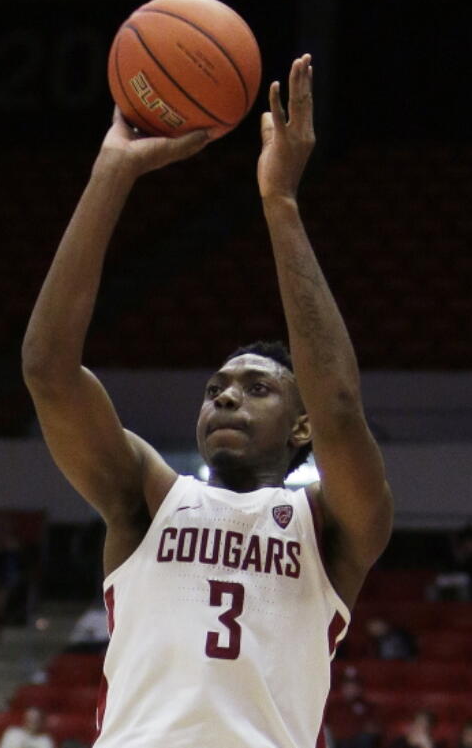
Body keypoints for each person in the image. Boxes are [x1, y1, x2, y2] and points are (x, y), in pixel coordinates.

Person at [22, 55, 394, 748]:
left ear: (301, 425)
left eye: (257, 388)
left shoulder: (330, 525)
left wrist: (280, 204)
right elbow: (47, 368)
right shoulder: (148, 499)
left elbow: (341, 406)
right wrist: (113, 173)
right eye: (216, 387)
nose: (226, 395)